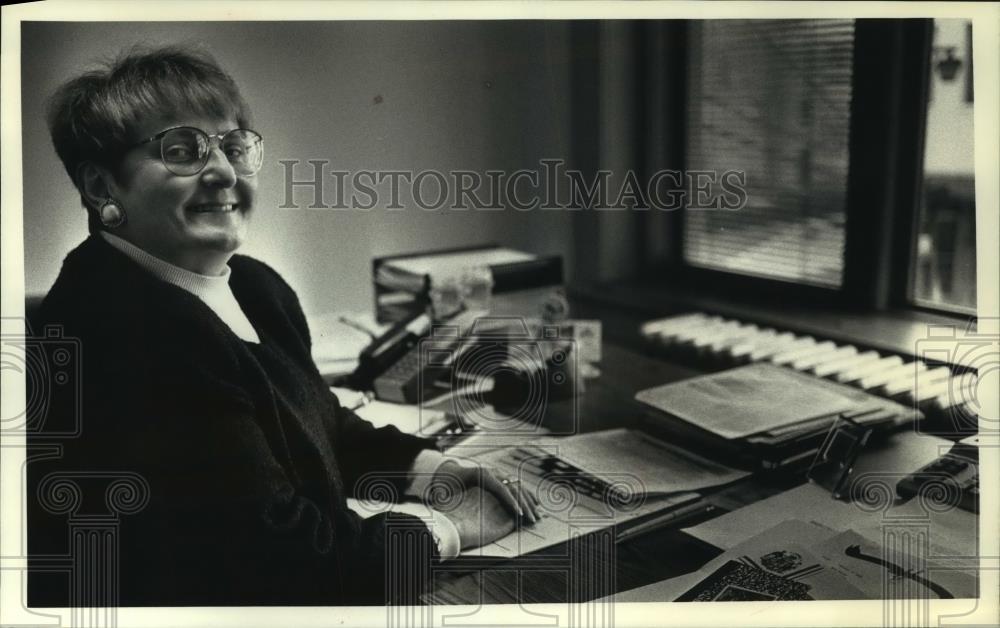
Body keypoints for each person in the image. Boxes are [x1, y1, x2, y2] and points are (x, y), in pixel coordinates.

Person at [28, 45, 539, 606]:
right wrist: (452, 528)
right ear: (103, 188)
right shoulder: (122, 328)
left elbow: (319, 424)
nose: (223, 171)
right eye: (182, 150)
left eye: (233, 147)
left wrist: (439, 470)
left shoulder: (252, 287)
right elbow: (290, 565)